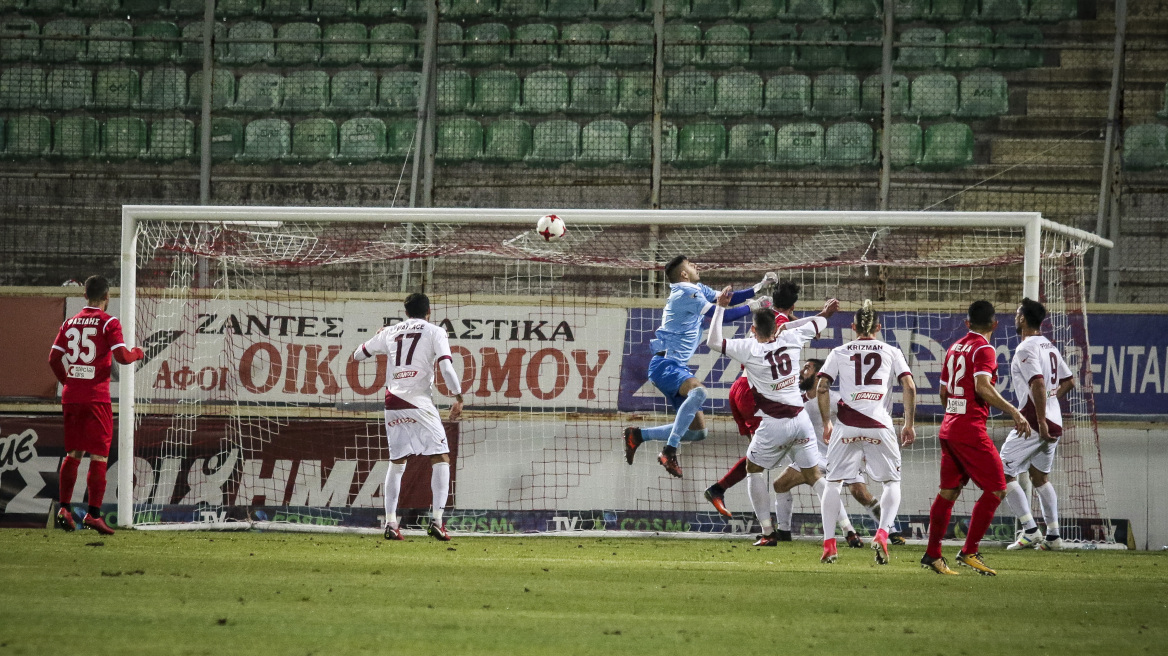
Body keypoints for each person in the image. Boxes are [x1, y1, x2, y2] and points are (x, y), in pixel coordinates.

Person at [705, 286, 852, 549]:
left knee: (753, 470)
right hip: (801, 421)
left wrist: (720, 307)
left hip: (773, 423)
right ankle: (847, 530)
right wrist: (826, 312)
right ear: (778, 328)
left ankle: (768, 531)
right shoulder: (791, 338)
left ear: (753, 330)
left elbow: (713, 341)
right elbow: (817, 323)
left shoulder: (749, 348)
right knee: (815, 476)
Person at [624, 256, 773, 478]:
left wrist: (759, 287)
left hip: (674, 366)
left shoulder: (696, 288)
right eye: (691, 265)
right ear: (683, 274)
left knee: (697, 432)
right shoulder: (686, 293)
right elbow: (719, 315)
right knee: (699, 392)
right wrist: (754, 306)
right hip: (666, 364)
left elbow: (727, 300)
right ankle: (669, 450)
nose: (696, 267)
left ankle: (638, 436)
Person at [921, 300, 1031, 576]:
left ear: (967, 323)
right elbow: (982, 386)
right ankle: (969, 550)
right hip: (969, 429)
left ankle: (932, 555)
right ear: (995, 324)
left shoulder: (955, 347)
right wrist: (1014, 411)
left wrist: (955, 414)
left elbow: (944, 393)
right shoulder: (984, 349)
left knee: (948, 492)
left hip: (949, 427)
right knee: (997, 488)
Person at [352, 293, 464, 542]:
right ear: (429, 311)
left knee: (398, 461)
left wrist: (378, 334)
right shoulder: (436, 331)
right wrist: (458, 397)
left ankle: (391, 523)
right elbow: (446, 368)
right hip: (418, 399)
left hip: (393, 401)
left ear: (405, 312)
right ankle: (436, 521)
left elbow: (357, 355)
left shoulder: (389, 332)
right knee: (441, 456)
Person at [816, 300, 917, 565]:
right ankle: (883, 534)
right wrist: (909, 423)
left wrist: (827, 422)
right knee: (891, 482)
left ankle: (829, 544)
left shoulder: (839, 351)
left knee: (833, 483)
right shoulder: (892, 351)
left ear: (853, 327)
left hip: (846, 425)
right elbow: (909, 386)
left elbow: (822, 387)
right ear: (879, 328)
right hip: (879, 425)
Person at [48, 275, 144, 535]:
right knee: (99, 455)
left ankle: (65, 509)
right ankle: (93, 514)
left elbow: (53, 359)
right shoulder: (108, 322)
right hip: (96, 398)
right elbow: (123, 357)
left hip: (72, 397)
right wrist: (138, 352)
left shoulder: (70, 323)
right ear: (107, 296)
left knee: (73, 452)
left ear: (84, 295)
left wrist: (68, 381)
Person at [1000, 298, 1074, 551]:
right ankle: (1054, 536)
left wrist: (1040, 419)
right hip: (1054, 421)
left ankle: (1030, 530)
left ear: (1023, 318)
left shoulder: (1025, 348)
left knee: (1002, 473)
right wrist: (1051, 405)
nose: (1014, 317)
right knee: (1040, 477)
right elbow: (1069, 381)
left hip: (1034, 422)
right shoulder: (1049, 346)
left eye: (1017, 313)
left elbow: (1038, 383)